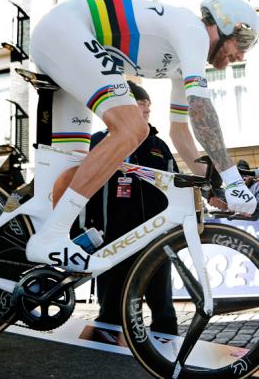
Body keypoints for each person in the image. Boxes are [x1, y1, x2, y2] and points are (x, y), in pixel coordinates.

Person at [26, 0, 259, 271]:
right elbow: (202, 110)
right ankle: (51, 237)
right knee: (133, 129)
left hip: (61, 38)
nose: (242, 55)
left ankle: (31, 237)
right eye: (242, 43)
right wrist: (233, 180)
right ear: (221, 27)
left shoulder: (181, 62)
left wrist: (211, 183)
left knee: (74, 166)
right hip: (69, 29)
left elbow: (180, 132)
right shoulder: (193, 31)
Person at [86, 81, 177, 334]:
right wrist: (89, 228)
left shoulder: (158, 145)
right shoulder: (98, 141)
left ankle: (168, 352)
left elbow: (176, 185)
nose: (147, 111)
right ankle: (106, 353)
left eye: (149, 106)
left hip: (155, 236)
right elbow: (84, 190)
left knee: (163, 307)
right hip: (113, 238)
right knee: (112, 308)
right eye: (141, 105)